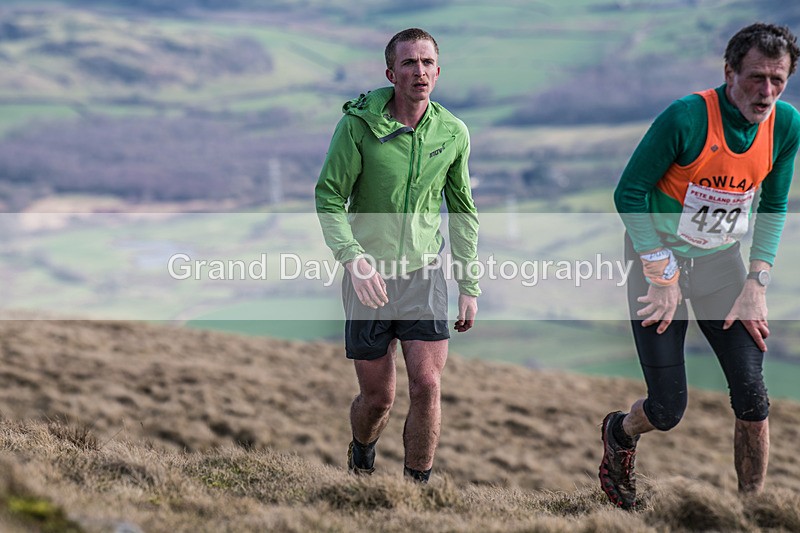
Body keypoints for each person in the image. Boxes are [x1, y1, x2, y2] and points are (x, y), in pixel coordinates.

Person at [600, 22, 800, 510]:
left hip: (720, 265)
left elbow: (773, 207)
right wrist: (661, 270)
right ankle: (619, 433)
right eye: (756, 77)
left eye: (779, 79)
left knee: (753, 399)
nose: (767, 91)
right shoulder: (686, 117)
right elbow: (628, 193)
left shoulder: (786, 125)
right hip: (655, 260)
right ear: (729, 71)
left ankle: (753, 511)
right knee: (667, 410)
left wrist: (758, 281)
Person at [315, 28, 480, 483]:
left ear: (438, 72)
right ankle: (363, 456)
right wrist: (352, 257)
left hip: (425, 276)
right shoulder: (357, 127)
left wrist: (469, 285)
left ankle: (416, 491)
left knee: (427, 385)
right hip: (368, 278)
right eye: (409, 63)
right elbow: (329, 197)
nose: (419, 72)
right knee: (377, 399)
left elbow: (463, 210)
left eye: (427, 63)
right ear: (391, 73)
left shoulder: (453, 133)